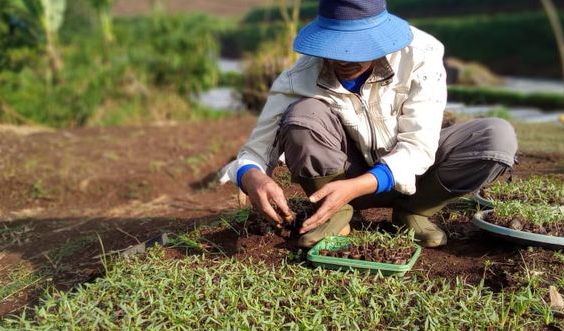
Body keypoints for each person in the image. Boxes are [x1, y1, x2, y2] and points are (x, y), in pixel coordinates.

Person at [220, 0, 518, 248]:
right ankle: (336, 215)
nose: (345, 57)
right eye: (336, 46)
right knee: (304, 115)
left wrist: (359, 185)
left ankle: (414, 210)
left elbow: (419, 145)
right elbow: (254, 153)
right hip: (340, 180)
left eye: (358, 46)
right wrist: (251, 176)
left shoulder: (421, 55)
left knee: (496, 138)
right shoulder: (299, 78)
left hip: (415, 176)